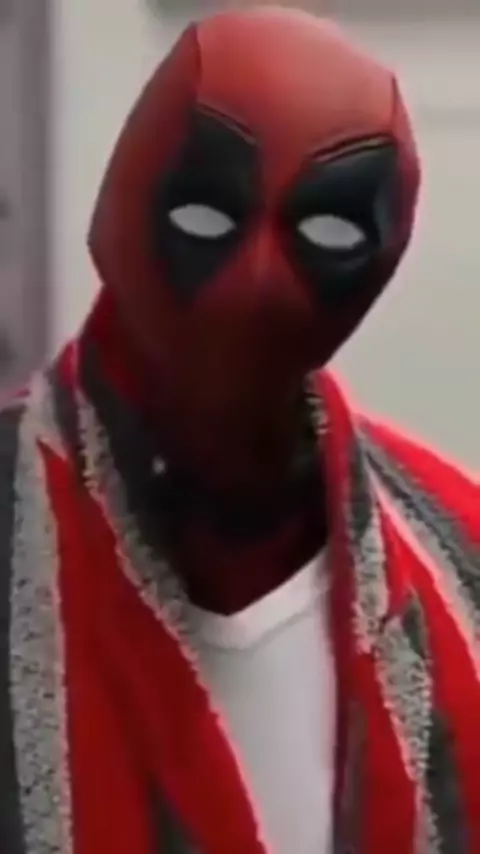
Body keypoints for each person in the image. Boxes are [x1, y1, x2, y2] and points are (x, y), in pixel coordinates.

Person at [1, 7, 479, 854]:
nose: (257, 280)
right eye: (207, 217)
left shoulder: (460, 559)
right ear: (127, 207)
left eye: (323, 230)